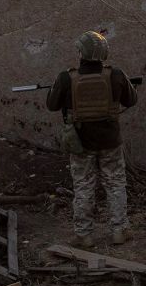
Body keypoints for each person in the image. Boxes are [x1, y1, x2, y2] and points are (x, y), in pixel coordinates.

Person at [47, 31, 138, 247]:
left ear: (80, 53)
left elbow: (52, 105)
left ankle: (84, 235)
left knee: (83, 186)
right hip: (110, 142)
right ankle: (119, 231)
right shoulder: (115, 74)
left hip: (80, 144)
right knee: (115, 184)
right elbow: (132, 100)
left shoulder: (66, 78)